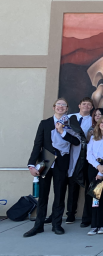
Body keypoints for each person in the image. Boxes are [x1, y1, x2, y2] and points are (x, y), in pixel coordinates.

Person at [24, 98, 81, 237]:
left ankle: (57, 224)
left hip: (62, 162)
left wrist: (62, 132)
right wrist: (31, 165)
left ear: (67, 108)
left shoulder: (71, 124)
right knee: (43, 196)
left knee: (60, 195)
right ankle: (38, 225)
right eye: (58, 105)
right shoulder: (45, 123)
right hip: (45, 161)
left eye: (64, 105)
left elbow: (76, 141)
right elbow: (37, 144)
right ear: (54, 107)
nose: (61, 107)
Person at [62, 97, 93, 225]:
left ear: (91, 107)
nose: (86, 106)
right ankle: (70, 213)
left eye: (89, 105)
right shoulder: (69, 118)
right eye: (84, 104)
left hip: (87, 156)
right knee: (72, 185)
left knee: (89, 186)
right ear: (79, 105)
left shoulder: (93, 121)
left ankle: (88, 216)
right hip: (71, 155)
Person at [80, 108, 103, 228]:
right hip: (93, 167)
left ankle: (101, 223)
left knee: (101, 195)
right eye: (102, 122)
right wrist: (97, 166)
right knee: (93, 194)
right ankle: (92, 221)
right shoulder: (93, 135)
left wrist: (102, 168)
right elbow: (89, 153)